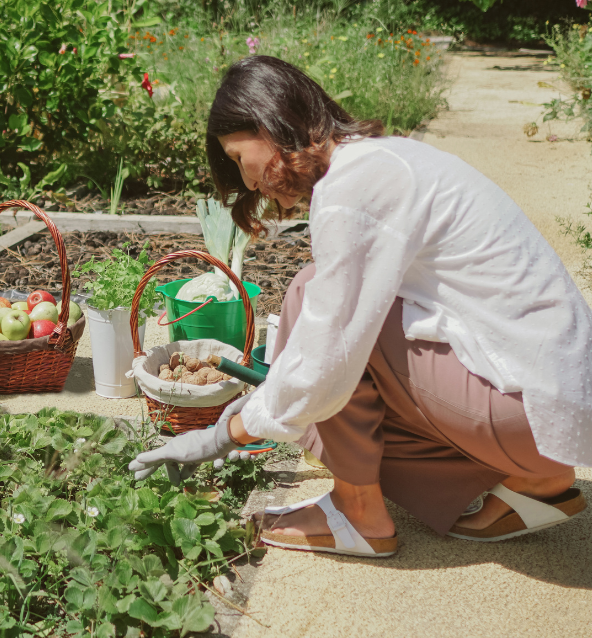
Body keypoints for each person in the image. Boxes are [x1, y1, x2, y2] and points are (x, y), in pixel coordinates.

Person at [130, 55, 590, 557]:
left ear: (269, 122)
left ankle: (358, 513)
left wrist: (224, 434)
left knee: (313, 303)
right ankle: (539, 480)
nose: (250, 182)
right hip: (552, 400)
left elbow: (329, 352)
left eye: (242, 158)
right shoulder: (381, 159)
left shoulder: (354, 185)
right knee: (327, 314)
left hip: (530, 411)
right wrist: (268, 403)